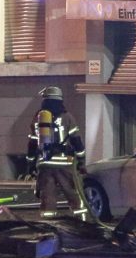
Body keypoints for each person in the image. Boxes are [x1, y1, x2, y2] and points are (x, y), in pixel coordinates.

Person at [25, 86, 92, 222]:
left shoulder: (38, 118)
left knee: (47, 198)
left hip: (45, 164)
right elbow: (77, 141)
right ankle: (84, 224)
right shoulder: (67, 117)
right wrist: (81, 161)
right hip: (64, 163)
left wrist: (30, 165)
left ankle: (48, 228)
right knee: (74, 195)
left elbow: (32, 144)